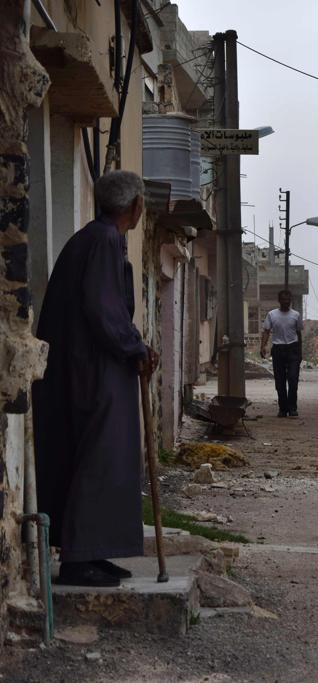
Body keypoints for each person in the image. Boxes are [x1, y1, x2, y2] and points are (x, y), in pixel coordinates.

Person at [33, 170, 158, 588]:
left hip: (86, 366)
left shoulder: (97, 238)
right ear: (135, 207)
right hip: (93, 370)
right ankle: (79, 557)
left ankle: (93, 551)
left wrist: (134, 343)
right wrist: (134, 348)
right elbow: (103, 309)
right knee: (100, 455)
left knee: (100, 454)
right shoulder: (103, 240)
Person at [261, 290, 303, 417]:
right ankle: (283, 409)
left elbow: (299, 333)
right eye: (283, 300)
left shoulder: (296, 315)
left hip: (293, 349)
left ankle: (292, 408)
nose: (286, 302)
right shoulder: (272, 314)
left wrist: (300, 352)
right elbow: (267, 331)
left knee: (293, 379)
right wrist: (263, 346)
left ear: (290, 301)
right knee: (280, 381)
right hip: (278, 349)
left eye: (288, 300)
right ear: (279, 301)